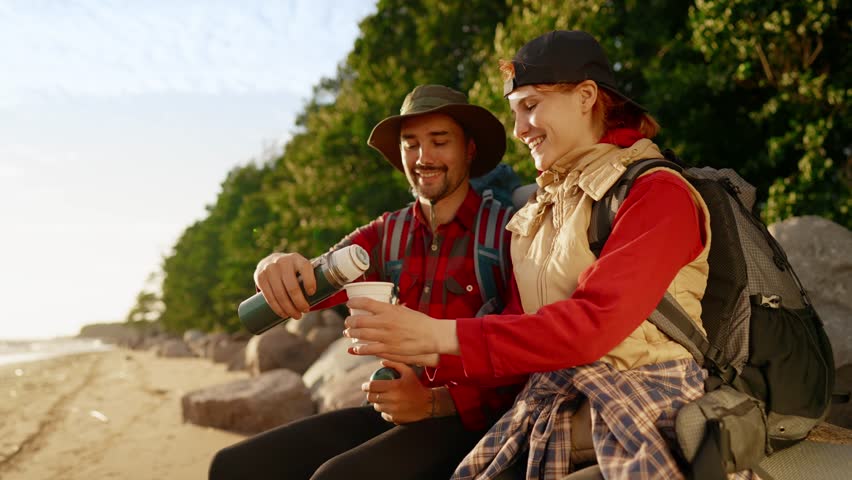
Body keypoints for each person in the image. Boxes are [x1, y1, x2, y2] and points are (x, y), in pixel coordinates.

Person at [344, 31, 754, 479]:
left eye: (532, 105)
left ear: (585, 97)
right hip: (554, 404)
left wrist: (439, 338)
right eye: (515, 112)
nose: (520, 130)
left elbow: (593, 325)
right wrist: (423, 357)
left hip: (642, 404)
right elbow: (519, 326)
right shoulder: (541, 211)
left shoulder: (658, 192)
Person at [209, 84, 527, 480]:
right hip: (394, 409)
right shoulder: (385, 234)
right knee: (234, 467)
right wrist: (274, 264)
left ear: (470, 150)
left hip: (476, 420)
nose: (423, 157)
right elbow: (310, 280)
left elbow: (524, 349)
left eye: (439, 141)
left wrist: (434, 403)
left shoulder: (508, 233)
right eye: (410, 145)